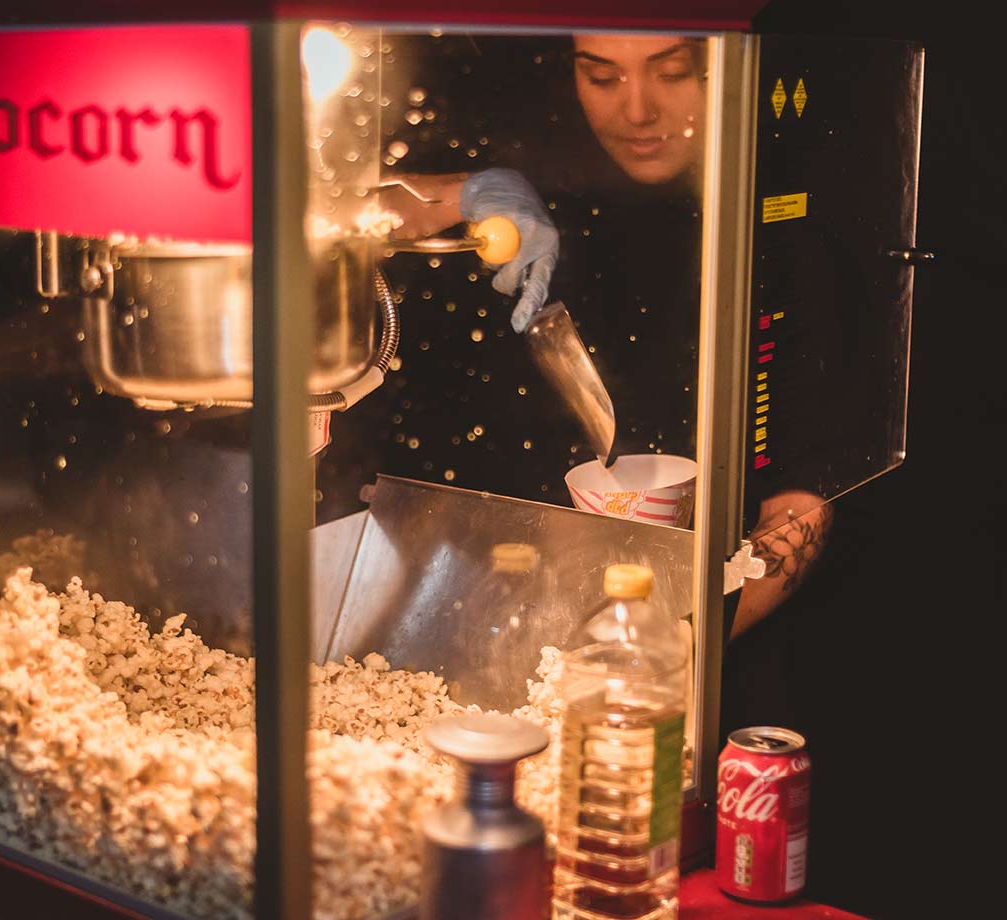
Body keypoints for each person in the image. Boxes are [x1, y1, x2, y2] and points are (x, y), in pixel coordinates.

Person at [322, 32, 830, 639]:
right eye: (603, 77)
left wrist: (665, 654)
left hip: (680, 629)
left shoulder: (781, 228)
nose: (638, 110)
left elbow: (805, 502)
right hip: (459, 603)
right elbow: (327, 214)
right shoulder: (545, 177)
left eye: (671, 74)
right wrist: (470, 190)